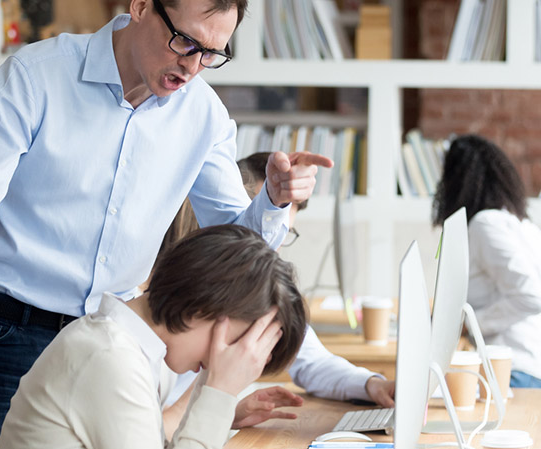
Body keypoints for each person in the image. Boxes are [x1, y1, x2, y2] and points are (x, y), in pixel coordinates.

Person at [0, 0, 331, 449]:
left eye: (212, 54)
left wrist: (274, 203)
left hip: (114, 342)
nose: (192, 66)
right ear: (142, 5)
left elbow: (233, 248)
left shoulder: (204, 116)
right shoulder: (37, 75)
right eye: (185, 41)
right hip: (5, 329)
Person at [0, 225, 307, 449]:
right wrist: (219, 393)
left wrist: (218, 400)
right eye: (240, 342)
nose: (234, 357)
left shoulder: (134, 347)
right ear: (210, 303)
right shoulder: (109, 358)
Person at [160, 152, 395, 433]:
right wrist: (216, 398)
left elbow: (310, 361)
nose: (273, 245)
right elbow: (151, 429)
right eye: (268, 226)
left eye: (284, 231)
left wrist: (374, 385)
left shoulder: (249, 291)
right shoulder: (160, 299)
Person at [432, 134, 541, 389]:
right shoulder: (522, 225)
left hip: (521, 372)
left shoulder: (485, 225)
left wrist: (470, 325)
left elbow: (532, 297)